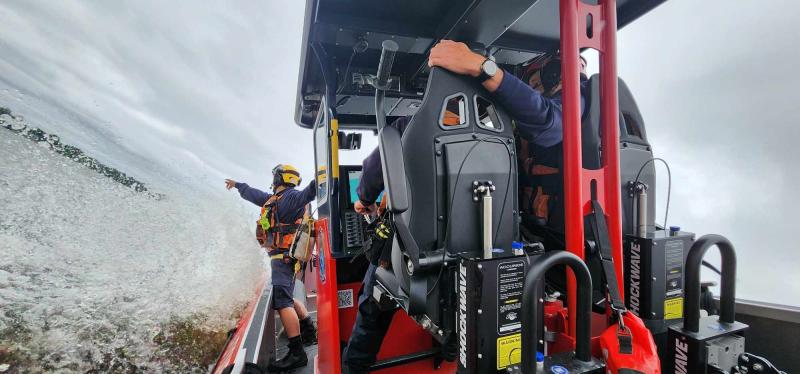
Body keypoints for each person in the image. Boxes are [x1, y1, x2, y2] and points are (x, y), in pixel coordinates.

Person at [341, 41, 586, 373]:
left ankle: (355, 365)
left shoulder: (410, 126)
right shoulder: (506, 132)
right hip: (500, 254)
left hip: (426, 265)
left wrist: (365, 200)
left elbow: (375, 170)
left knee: (375, 282)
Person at [225, 164, 318, 372]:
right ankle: (309, 331)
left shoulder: (291, 198)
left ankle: (297, 353)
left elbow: (309, 193)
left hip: (283, 259)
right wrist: (238, 185)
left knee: (282, 301)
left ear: (279, 178)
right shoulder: (274, 200)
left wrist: (322, 176)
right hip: (282, 259)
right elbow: (253, 194)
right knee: (285, 296)